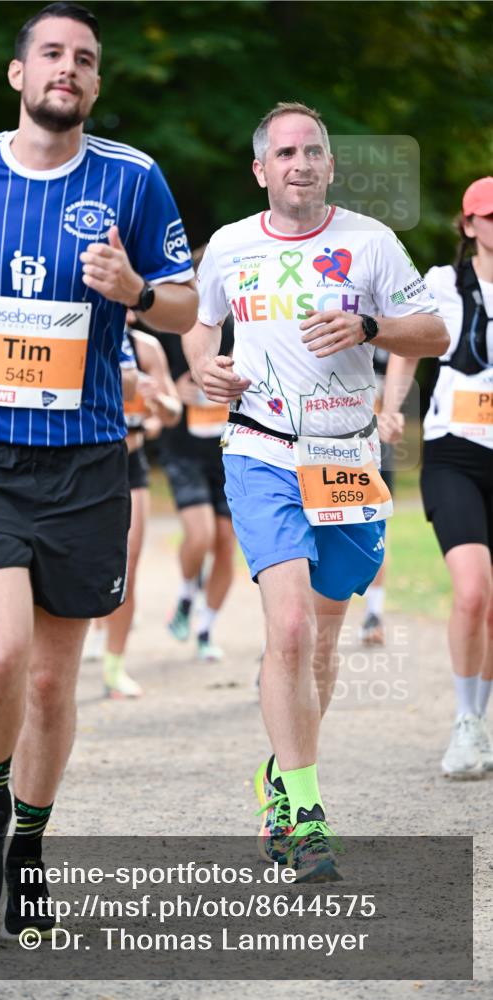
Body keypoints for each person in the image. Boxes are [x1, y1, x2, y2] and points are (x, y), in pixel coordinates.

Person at [0, 1, 196, 939]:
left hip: (86, 462)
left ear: (95, 84)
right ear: (20, 75)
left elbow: (185, 307)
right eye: (52, 54)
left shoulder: (133, 179)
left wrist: (139, 294)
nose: (69, 68)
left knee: (52, 686)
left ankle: (28, 843)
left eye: (86, 59)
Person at [183, 101, 448, 880]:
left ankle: (279, 775)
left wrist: (369, 329)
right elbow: (200, 326)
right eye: (285, 152)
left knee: (323, 640)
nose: (300, 163)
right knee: (290, 627)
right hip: (261, 450)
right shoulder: (230, 246)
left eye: (314, 151)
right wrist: (205, 367)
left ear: (330, 165)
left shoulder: (369, 243)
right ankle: (304, 814)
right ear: (261, 170)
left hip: (345, 459)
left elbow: (431, 333)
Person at [382, 176, 493, 779]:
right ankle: (463, 723)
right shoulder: (443, 284)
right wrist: (392, 404)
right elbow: (407, 346)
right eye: (489, 216)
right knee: (472, 590)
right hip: (455, 451)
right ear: (469, 224)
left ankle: (482, 720)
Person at [101, 318, 182, 697]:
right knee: (76, 563)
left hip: (131, 464)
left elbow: (172, 413)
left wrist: (157, 401)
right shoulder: (83, 330)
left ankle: (114, 666)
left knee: (127, 566)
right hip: (85, 464)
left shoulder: (146, 347)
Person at [158, 301, 236, 661]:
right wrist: (174, 389)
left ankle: (207, 628)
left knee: (224, 541)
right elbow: (154, 378)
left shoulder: (244, 324)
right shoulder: (172, 325)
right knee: (200, 534)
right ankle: (187, 594)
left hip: (229, 450)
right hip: (184, 450)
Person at [359, 347, 396, 646]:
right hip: (322, 442)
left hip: (375, 447)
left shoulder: (388, 332)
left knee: (376, 529)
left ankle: (374, 613)